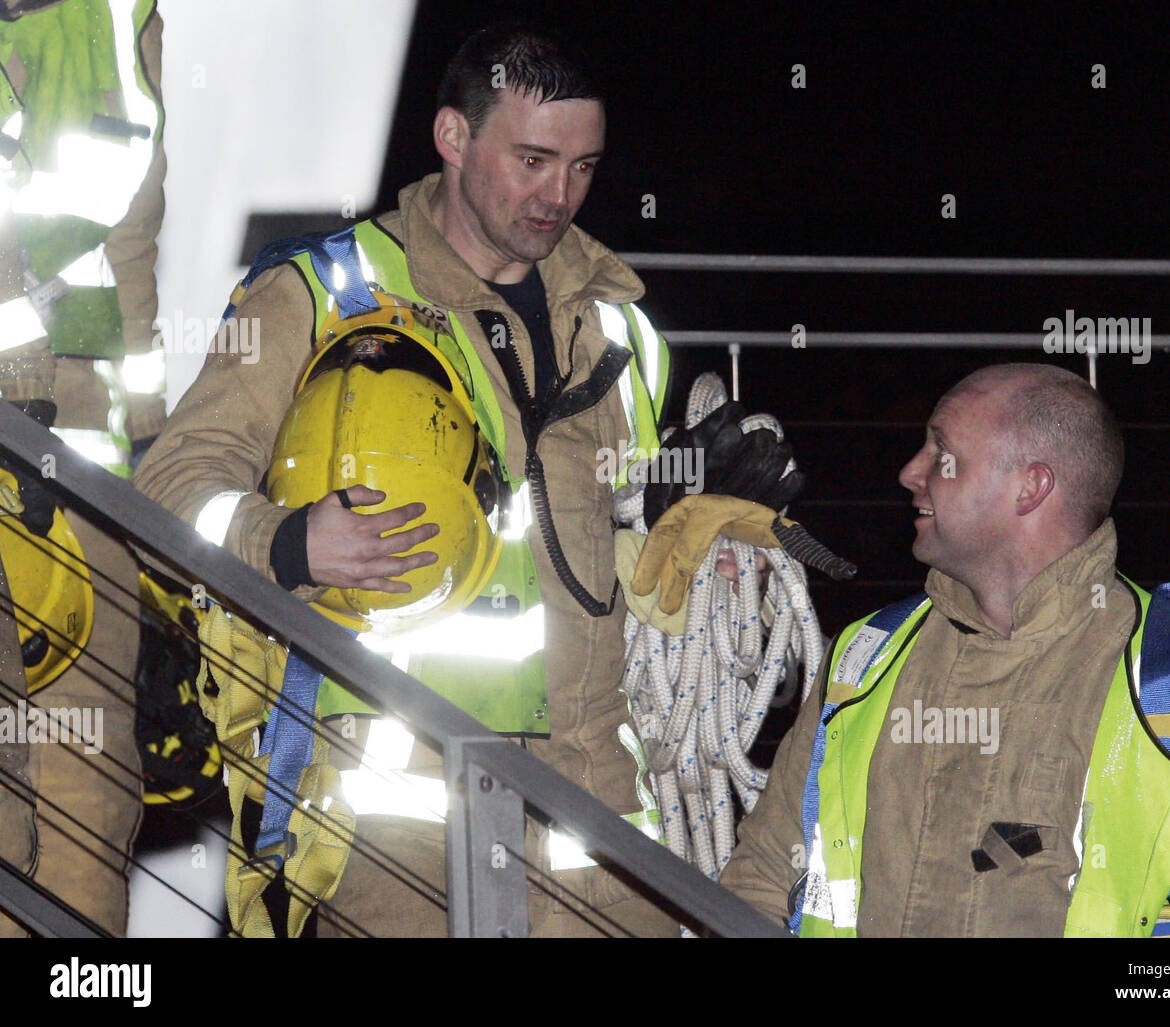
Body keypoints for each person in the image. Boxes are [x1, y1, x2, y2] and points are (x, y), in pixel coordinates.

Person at [134, 24, 685, 937]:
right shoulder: (323, 292)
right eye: (535, 160)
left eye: (584, 167)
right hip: (393, 823)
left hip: (602, 821)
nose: (561, 196)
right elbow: (167, 487)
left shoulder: (623, 331)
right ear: (453, 137)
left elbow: (646, 541)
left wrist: (716, 533)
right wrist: (285, 540)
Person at [720, 362, 1170, 936]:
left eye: (940, 454)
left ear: (1031, 486)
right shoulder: (864, 658)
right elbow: (763, 878)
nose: (909, 473)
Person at [0, 0, 166, 937]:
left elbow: (132, 245)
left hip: (80, 480)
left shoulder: (120, 15)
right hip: (34, 444)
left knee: (84, 813)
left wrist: (151, 445)